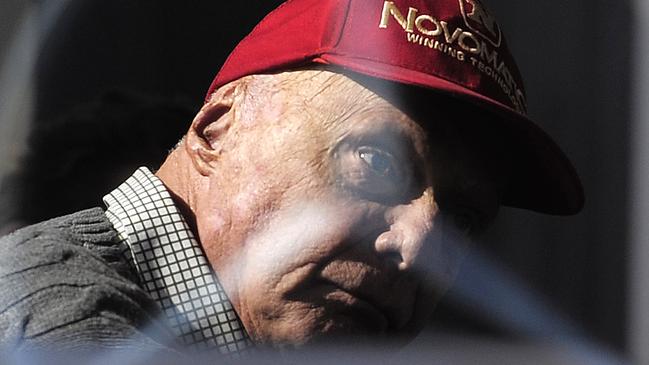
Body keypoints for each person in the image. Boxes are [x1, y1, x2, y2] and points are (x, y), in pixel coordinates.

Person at [0, 0, 584, 362]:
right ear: (218, 128)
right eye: (377, 163)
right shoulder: (66, 326)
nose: (420, 246)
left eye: (462, 218)